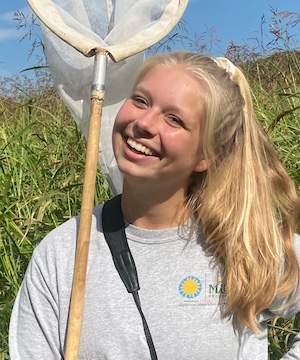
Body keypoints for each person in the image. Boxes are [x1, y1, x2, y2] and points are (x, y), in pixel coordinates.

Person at [9, 51, 300, 359]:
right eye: (140, 100)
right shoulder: (62, 255)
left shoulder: (246, 244)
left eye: (174, 119)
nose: (143, 123)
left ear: (207, 155)